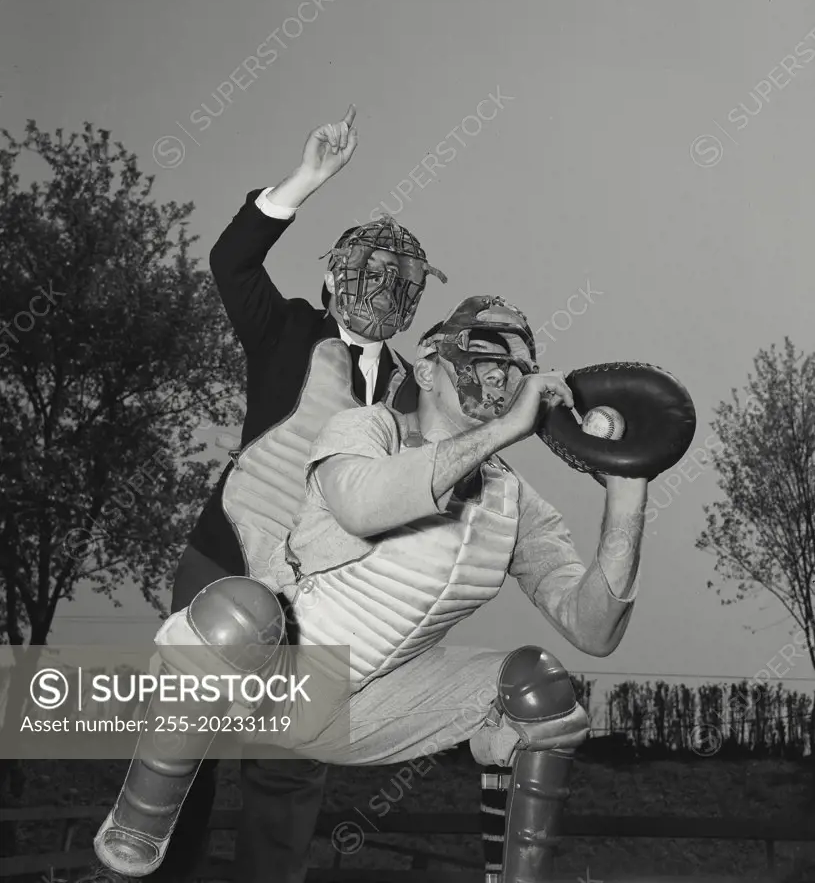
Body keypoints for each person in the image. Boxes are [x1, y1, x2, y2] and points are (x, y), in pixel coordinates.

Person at [97, 296, 648, 881]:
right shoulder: (367, 427)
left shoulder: (513, 501)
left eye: (517, 364)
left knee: (540, 687)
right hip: (278, 681)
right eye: (486, 354)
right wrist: (510, 429)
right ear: (428, 368)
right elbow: (363, 506)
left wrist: (627, 486)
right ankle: (134, 834)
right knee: (240, 608)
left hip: (376, 709)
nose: (503, 374)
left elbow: (594, 629)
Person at [86, 106, 447, 883]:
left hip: (320, 604)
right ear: (329, 276)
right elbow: (231, 262)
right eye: (362, 267)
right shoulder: (284, 330)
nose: (378, 282)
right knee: (184, 750)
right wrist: (309, 176)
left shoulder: (419, 394)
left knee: (289, 774)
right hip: (223, 567)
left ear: (413, 298)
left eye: (396, 277)